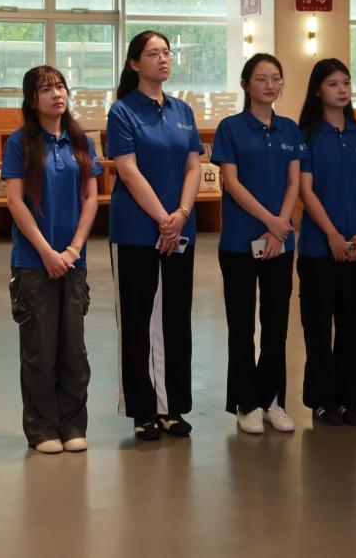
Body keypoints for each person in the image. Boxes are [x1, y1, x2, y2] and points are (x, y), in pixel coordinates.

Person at [106, 31, 202, 442]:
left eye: (166, 52)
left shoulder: (183, 110)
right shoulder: (122, 111)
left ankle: (171, 406)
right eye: (153, 53)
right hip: (135, 230)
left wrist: (181, 215)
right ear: (134, 63)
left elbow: (193, 166)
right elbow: (128, 170)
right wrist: (164, 220)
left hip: (180, 228)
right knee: (137, 321)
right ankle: (143, 410)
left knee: (176, 320)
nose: (163, 59)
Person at [1, 65, 101, 454]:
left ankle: (73, 424)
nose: (57, 94)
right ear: (32, 99)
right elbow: (15, 201)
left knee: (74, 348)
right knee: (39, 349)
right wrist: (45, 250)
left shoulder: (81, 141)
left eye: (60, 86)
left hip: (73, 260)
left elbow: (91, 198)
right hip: (33, 261)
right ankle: (42, 429)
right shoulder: (19, 143)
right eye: (46, 89)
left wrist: (73, 249)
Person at [212, 53, 303, 435]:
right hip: (239, 242)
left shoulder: (290, 129)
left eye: (276, 78)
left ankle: (273, 401)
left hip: (280, 243)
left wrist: (280, 226)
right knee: (241, 326)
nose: (270, 85)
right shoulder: (230, 128)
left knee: (276, 325)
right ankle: (245, 403)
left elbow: (294, 182)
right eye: (262, 78)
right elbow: (231, 183)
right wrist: (271, 221)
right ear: (246, 84)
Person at [296, 59, 356, 427]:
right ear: (318, 90)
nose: (342, 89)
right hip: (319, 248)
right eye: (333, 83)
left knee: (354, 324)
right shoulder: (306, 135)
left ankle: (350, 397)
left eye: (346, 82)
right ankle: (322, 399)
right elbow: (306, 190)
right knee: (318, 327)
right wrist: (332, 234)